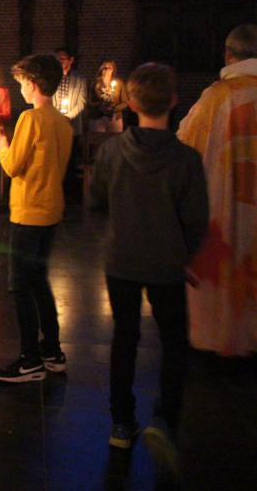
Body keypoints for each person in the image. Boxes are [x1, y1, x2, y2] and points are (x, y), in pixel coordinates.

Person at [90, 63, 208, 452]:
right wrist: (187, 256)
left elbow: (97, 203)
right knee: (174, 343)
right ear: (174, 101)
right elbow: (195, 220)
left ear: (130, 102)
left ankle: (121, 423)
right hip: (167, 263)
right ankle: (166, 418)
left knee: (125, 339)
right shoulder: (186, 160)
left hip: (121, 258)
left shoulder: (110, 151)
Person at [175, 24, 256, 487]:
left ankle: (224, 336)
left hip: (225, 211)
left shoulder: (216, 98)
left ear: (228, 54)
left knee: (225, 270)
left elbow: (185, 145)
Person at [0, 53, 73, 383]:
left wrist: (1, 144)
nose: (20, 87)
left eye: (23, 81)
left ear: (35, 83)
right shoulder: (62, 122)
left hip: (28, 212)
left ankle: (29, 361)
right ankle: (52, 352)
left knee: (19, 286)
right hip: (52, 209)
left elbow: (12, 166)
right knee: (39, 279)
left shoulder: (31, 119)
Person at [52, 48, 87, 201]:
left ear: (71, 60)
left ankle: (70, 193)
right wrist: (56, 116)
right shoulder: (53, 78)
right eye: (58, 59)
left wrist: (67, 116)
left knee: (70, 159)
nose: (61, 61)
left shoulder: (79, 79)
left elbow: (81, 102)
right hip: (54, 125)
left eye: (64, 58)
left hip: (72, 126)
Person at [87, 60, 126, 133]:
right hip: (97, 117)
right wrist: (99, 105)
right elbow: (89, 101)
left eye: (110, 68)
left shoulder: (119, 83)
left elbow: (125, 102)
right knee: (98, 141)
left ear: (113, 70)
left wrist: (114, 108)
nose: (107, 70)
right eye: (105, 67)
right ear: (101, 69)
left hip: (115, 118)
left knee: (114, 141)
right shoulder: (95, 83)